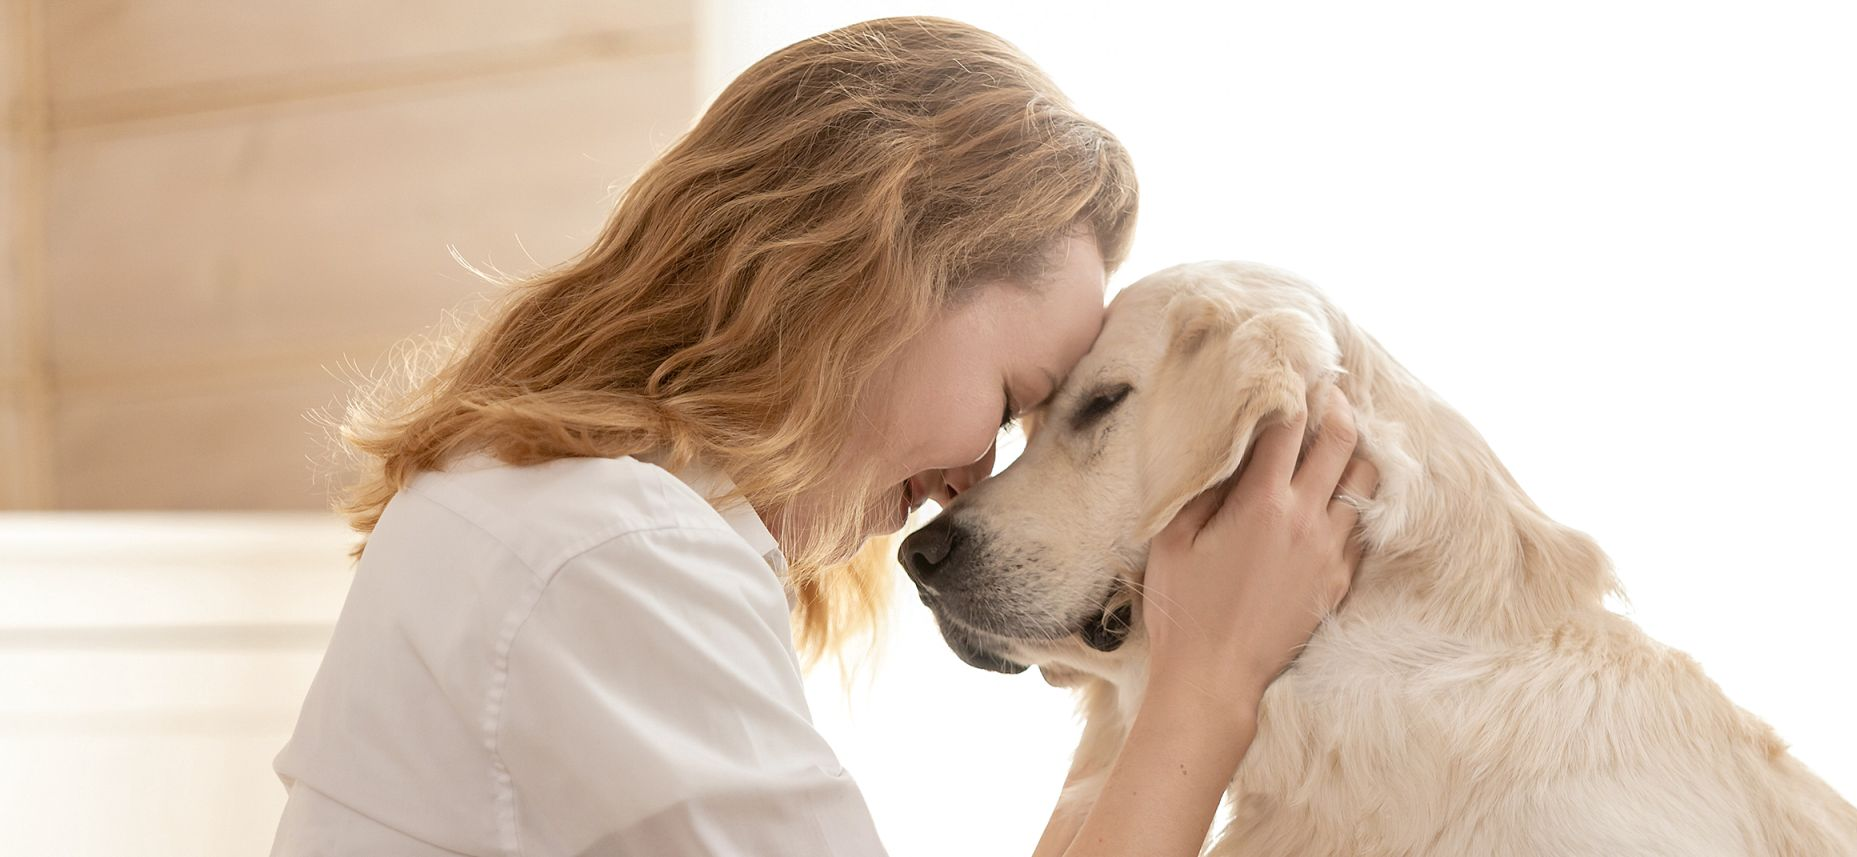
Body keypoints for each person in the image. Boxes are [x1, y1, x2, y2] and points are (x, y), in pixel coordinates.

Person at [270, 16, 1375, 857]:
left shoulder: (540, 509)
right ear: (872, 279)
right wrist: (1211, 677)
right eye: (1004, 401)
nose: (972, 479)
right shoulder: (605, 551)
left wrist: (1141, 677)